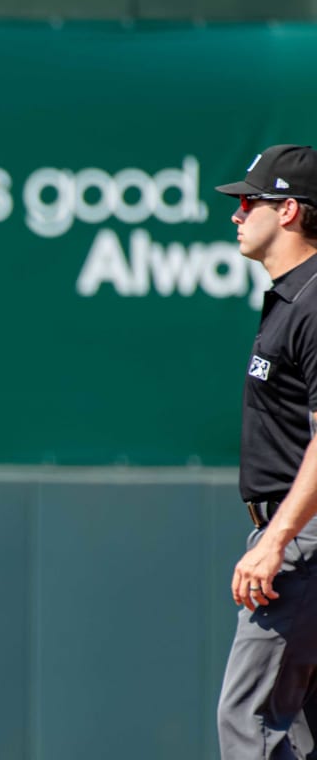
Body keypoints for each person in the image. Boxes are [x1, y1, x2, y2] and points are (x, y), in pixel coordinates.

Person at [215, 143, 317, 759]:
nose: (236, 213)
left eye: (249, 201)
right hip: (297, 531)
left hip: (301, 537)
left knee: (248, 720)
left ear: (288, 212)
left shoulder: (313, 300)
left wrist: (277, 540)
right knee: (301, 728)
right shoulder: (291, 295)